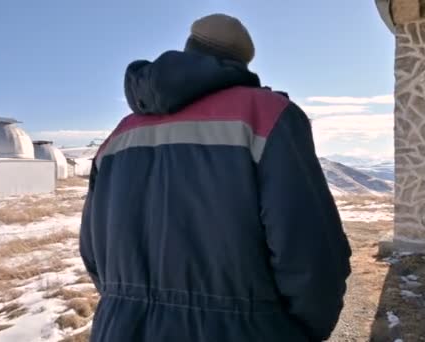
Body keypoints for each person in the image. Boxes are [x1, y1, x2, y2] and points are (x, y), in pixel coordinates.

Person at [80, 13, 351, 342]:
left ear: (188, 49)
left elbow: (92, 252)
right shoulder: (267, 115)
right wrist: (301, 330)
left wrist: (130, 305)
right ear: (240, 63)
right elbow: (310, 252)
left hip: (120, 329)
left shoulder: (118, 136)